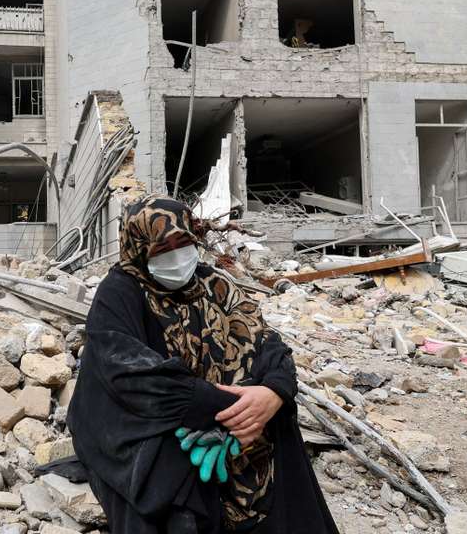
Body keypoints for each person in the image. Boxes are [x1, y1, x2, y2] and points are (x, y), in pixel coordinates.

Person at [69, 195, 339, 534]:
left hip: (212, 409)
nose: (176, 254)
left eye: (183, 240)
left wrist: (273, 392)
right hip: (136, 419)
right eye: (161, 246)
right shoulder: (119, 293)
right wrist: (233, 409)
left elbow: (266, 342)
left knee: (279, 425)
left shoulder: (214, 284)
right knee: (172, 483)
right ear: (139, 248)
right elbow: (131, 374)